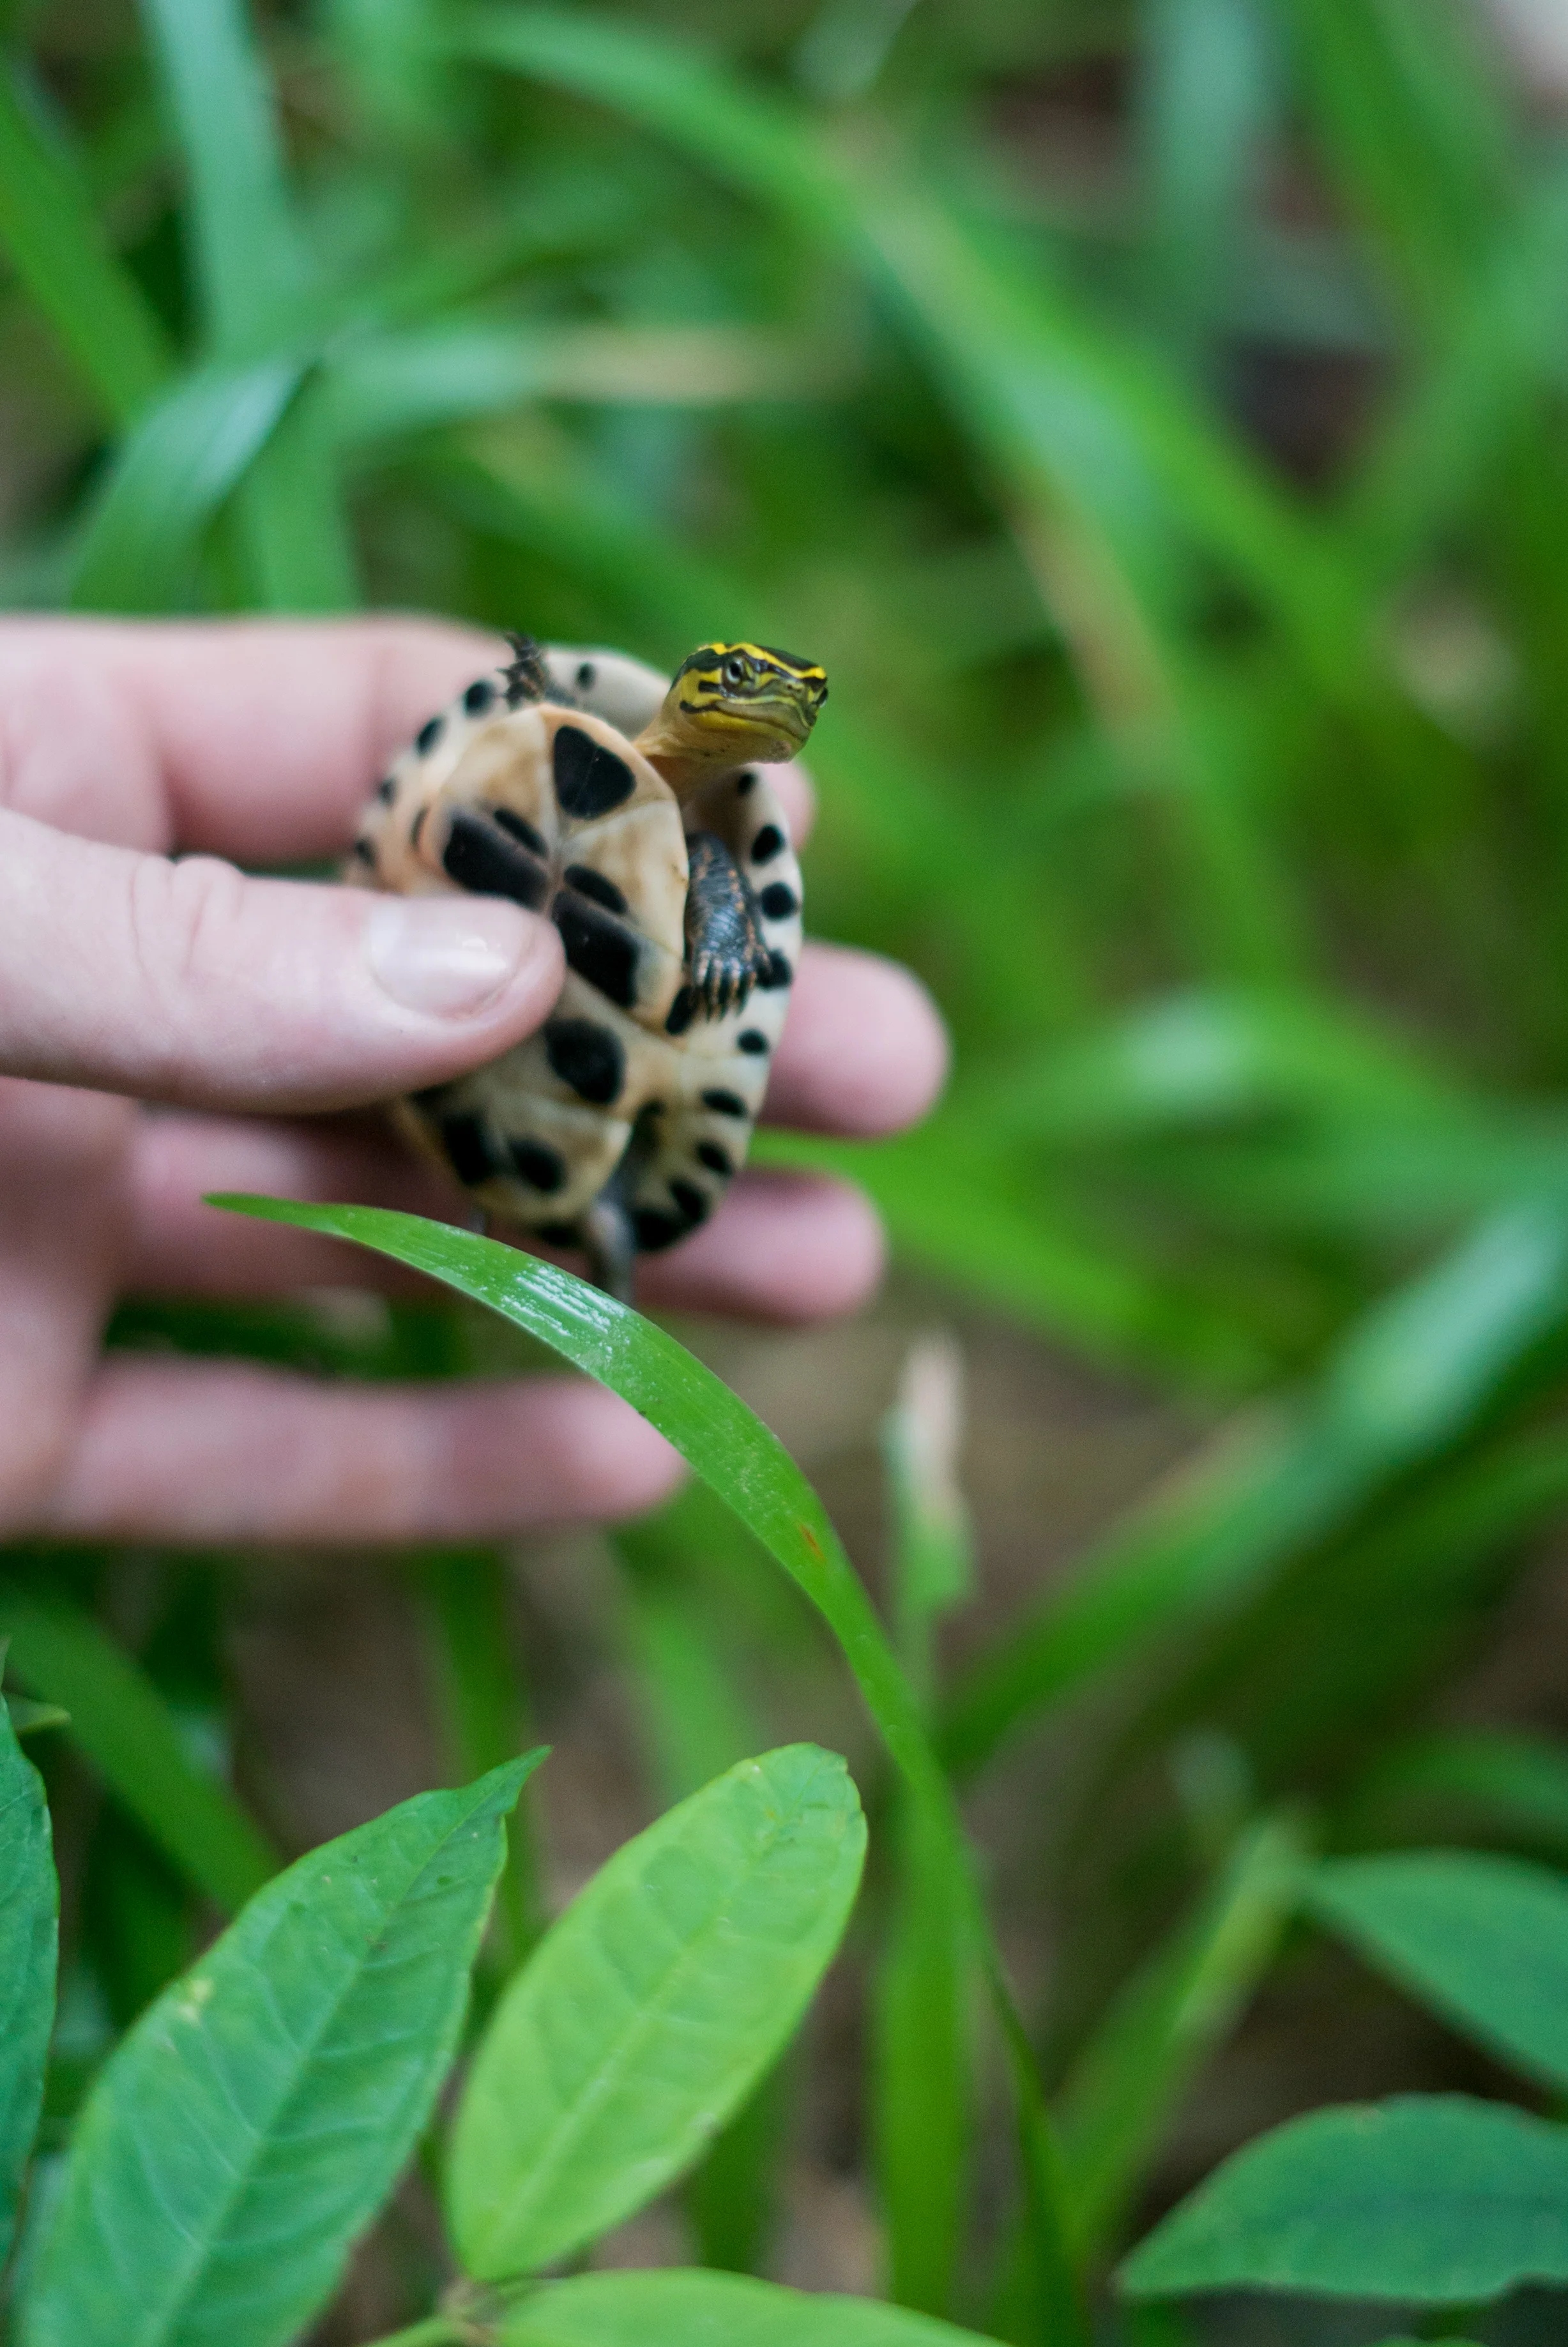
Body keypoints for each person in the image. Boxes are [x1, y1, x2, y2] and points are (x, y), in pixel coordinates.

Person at [0, 618, 948, 1545]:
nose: (780, 699)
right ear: (694, 678)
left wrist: (725, 926)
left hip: (577, 1121)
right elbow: (493, 731)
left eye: (805, 696)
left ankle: (594, 1312)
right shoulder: (549, 725)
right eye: (746, 677)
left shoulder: (711, 858)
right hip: (422, 1031)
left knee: (612, 1229)